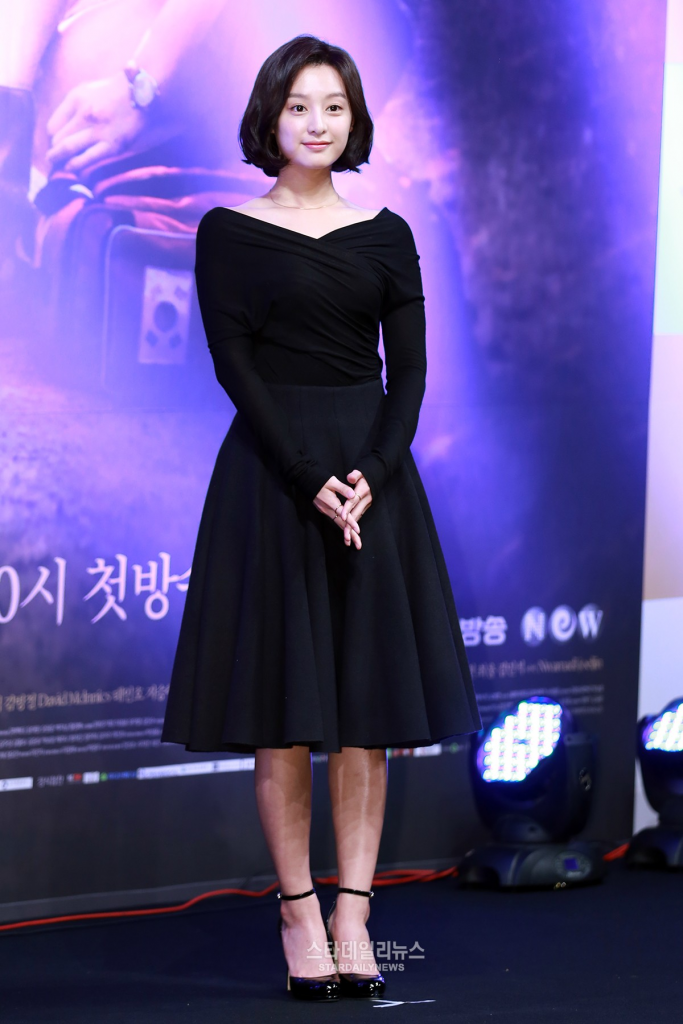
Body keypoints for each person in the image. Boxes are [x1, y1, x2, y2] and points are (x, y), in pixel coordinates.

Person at [160, 34, 482, 1002]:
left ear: (354, 120)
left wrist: (370, 474)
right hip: (272, 477)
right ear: (269, 116)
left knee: (364, 717)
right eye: (299, 106)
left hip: (371, 480)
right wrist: (308, 478)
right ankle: (297, 911)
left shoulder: (386, 231)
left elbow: (408, 371)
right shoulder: (227, 230)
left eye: (333, 106)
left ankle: (354, 912)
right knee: (283, 714)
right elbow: (234, 366)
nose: (316, 122)